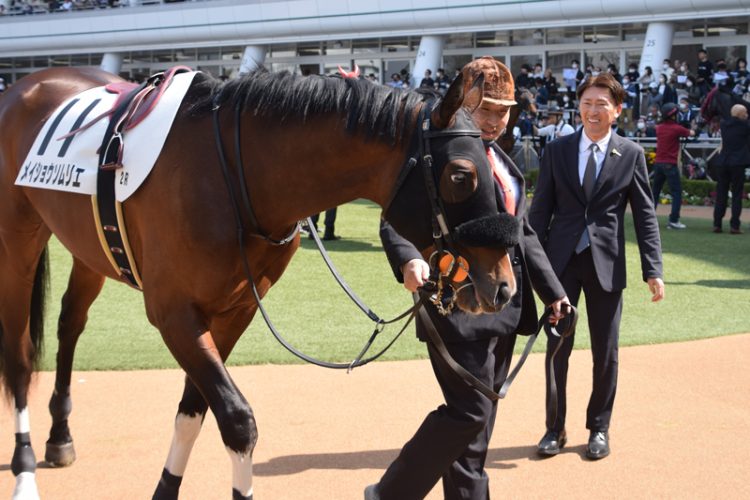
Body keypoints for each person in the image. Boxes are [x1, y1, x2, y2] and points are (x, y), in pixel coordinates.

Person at [366, 56, 569, 500]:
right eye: (487, 109)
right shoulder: (436, 160)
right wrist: (407, 260)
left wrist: (554, 294)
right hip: (455, 302)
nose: (496, 120)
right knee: (471, 414)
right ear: (462, 106)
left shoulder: (504, 162)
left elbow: (524, 233)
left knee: (475, 438)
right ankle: (390, 493)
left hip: (506, 307)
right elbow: (392, 220)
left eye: (505, 109)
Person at [528, 73, 665, 461]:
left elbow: (644, 216)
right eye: (586, 103)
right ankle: (554, 428)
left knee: (606, 352)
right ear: (579, 106)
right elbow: (539, 213)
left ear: (616, 111)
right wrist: (531, 266)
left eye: (601, 104)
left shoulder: (632, 154)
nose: (592, 110)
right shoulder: (556, 150)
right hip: (560, 265)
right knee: (558, 348)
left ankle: (599, 428)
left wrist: (652, 268)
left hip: (607, 264)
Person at [653, 102, 695, 229]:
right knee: (676, 193)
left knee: (654, 192)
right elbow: (691, 133)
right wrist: (692, 127)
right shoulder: (677, 128)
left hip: (658, 163)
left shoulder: (659, 128)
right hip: (670, 164)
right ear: (673, 116)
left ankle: (646, 219)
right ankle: (673, 220)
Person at [713, 104, 750, 234]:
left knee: (721, 193)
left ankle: (717, 224)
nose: (747, 115)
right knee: (737, 194)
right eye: (745, 113)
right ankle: (735, 225)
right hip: (738, 163)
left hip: (723, 162)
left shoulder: (724, 125)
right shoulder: (745, 126)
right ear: (740, 114)